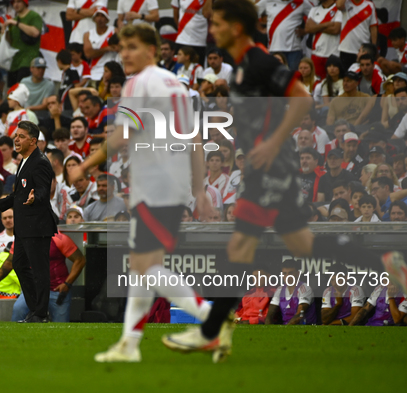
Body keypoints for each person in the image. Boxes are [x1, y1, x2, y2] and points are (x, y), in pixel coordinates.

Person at [162, 0, 407, 360]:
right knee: (301, 244)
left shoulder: (259, 61)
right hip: (264, 169)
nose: (212, 30)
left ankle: (213, 332)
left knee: (241, 248)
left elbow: (302, 98)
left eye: (218, 23)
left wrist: (272, 144)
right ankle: (386, 261)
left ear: (237, 26)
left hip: (273, 168)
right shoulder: (240, 67)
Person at [67, 23, 213, 361]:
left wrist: (84, 166)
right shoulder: (175, 84)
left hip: (155, 186)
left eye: (132, 47)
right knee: (142, 267)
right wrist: (198, 190)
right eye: (122, 47)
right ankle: (129, 345)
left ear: (151, 49)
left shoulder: (139, 83)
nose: (125, 53)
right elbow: (194, 141)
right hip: (169, 186)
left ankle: (212, 317)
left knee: (145, 268)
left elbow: (120, 138)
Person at [0, 121, 59, 323]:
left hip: (38, 225)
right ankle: (37, 310)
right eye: (16, 135)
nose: (16, 139)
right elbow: (19, 194)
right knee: (19, 264)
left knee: (39, 269)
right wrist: (2, 203)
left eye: (21, 136)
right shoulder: (24, 161)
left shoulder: (40, 162)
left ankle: (41, 313)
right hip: (25, 227)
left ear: (33, 140)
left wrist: (36, 198)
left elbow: (43, 189)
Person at [10, 232, 86, 322]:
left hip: (57, 289)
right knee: (18, 310)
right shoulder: (23, 238)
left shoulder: (59, 238)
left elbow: (80, 260)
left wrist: (67, 284)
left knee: (60, 326)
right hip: (34, 289)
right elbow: (10, 263)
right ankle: (18, 335)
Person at [265, 260, 316, 325]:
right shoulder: (280, 290)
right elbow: (269, 315)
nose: (287, 277)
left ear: (297, 274)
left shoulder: (304, 288)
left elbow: (299, 315)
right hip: (287, 329)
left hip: (305, 330)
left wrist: (285, 331)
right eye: (284, 273)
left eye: (290, 273)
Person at [5, 0, 43, 86]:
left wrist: (17, 23)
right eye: (13, 2)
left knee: (23, 88)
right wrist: (4, 31)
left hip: (28, 60)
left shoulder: (34, 16)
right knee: (12, 91)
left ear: (25, 3)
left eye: (18, 1)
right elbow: (10, 41)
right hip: (14, 61)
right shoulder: (13, 20)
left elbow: (35, 32)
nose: (15, 4)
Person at [305, 0, 343, 80]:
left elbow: (336, 29)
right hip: (316, 54)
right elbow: (308, 28)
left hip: (333, 54)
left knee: (333, 82)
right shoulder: (314, 9)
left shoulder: (338, 9)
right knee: (317, 82)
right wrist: (326, 24)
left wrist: (315, 27)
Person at [338, 0, 378, 71]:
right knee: (346, 76)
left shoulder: (370, 5)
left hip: (364, 50)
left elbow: (373, 27)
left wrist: (374, 47)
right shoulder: (346, 3)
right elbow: (338, 5)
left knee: (363, 75)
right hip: (346, 48)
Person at [84, 8, 116, 84]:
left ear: (107, 19)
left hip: (112, 73)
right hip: (94, 73)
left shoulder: (115, 31)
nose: (100, 19)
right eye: (97, 16)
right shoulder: (88, 34)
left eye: (103, 16)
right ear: (94, 19)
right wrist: (106, 49)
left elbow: (119, 48)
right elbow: (88, 54)